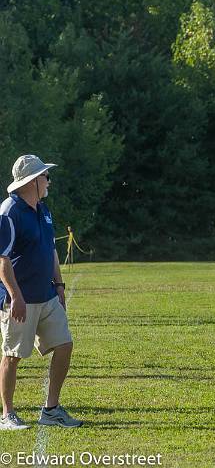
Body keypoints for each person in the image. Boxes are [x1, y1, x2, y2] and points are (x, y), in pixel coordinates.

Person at [0, 155, 82, 430]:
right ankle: (7, 414)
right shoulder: (9, 212)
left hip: (46, 295)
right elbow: (2, 260)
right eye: (45, 176)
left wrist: (58, 286)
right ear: (33, 181)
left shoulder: (43, 210)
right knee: (13, 355)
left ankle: (51, 409)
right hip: (19, 299)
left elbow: (51, 251)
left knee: (64, 345)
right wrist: (16, 296)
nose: (49, 181)